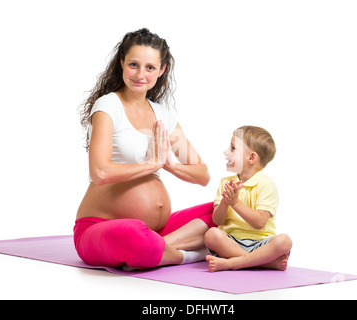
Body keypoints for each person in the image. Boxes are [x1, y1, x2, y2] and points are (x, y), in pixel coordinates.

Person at [75, 28, 214, 270]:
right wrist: (151, 164)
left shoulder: (162, 115)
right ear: (121, 63)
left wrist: (168, 164)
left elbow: (202, 174)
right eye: (133, 65)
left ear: (161, 70)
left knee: (222, 211)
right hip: (100, 228)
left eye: (150, 67)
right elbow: (100, 172)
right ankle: (186, 254)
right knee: (135, 236)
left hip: (155, 229)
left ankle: (159, 247)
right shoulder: (108, 107)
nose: (141, 74)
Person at [204, 126, 292, 272]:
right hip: (233, 243)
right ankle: (261, 263)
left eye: (233, 148)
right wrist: (226, 202)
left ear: (251, 158)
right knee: (211, 235)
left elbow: (259, 223)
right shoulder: (225, 183)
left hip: (262, 245)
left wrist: (235, 203)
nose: (226, 152)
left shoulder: (266, 184)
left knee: (284, 241)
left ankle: (233, 263)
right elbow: (217, 221)